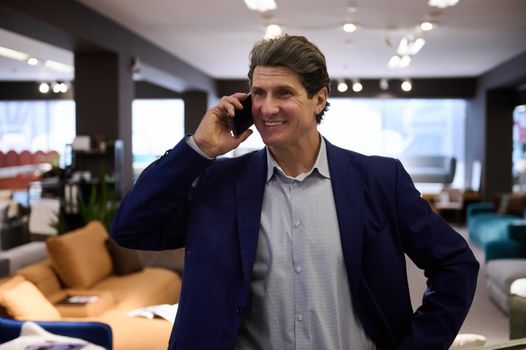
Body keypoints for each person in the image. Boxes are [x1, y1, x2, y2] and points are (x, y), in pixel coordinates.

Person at [110, 34, 479, 350]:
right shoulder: (216, 183)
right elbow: (131, 228)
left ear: (319, 99)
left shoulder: (380, 179)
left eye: (283, 93)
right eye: (258, 93)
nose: (267, 108)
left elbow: (455, 264)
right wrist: (198, 149)